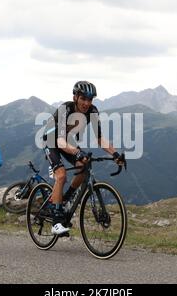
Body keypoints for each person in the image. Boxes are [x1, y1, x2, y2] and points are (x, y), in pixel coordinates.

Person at [42, 81, 125, 235]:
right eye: (83, 99)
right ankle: (56, 222)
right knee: (61, 175)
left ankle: (65, 198)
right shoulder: (65, 109)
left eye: (90, 99)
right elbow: (59, 142)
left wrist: (115, 154)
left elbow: (100, 139)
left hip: (67, 141)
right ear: (75, 97)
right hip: (52, 140)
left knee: (84, 164)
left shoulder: (92, 111)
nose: (87, 103)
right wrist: (77, 152)